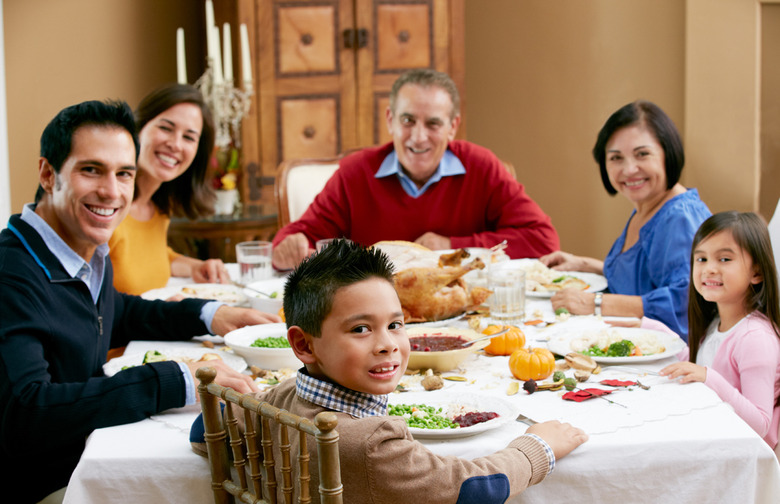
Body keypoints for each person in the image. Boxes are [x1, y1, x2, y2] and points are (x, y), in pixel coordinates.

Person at [0, 99, 280, 503]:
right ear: (48, 174)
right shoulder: (13, 273)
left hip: (85, 453)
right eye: (91, 170)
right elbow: (25, 416)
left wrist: (210, 314)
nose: (111, 191)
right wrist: (174, 379)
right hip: (49, 484)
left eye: (124, 173)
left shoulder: (82, 250)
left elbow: (118, 312)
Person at [191, 239, 587, 502]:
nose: (387, 344)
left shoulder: (284, 395)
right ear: (303, 344)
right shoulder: (368, 443)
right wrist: (538, 447)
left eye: (395, 325)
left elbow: (203, 433)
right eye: (360, 329)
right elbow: (475, 489)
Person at [271, 68, 559, 270]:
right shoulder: (355, 173)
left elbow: (543, 239)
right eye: (408, 120)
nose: (418, 136)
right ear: (390, 121)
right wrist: (289, 247)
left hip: (464, 311)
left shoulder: (482, 167)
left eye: (433, 123)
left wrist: (452, 247)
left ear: (452, 127)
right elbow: (292, 239)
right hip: (375, 318)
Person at [540, 100, 711, 340]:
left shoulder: (679, 217)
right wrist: (587, 265)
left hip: (670, 361)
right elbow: (647, 280)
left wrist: (595, 303)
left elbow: (686, 304)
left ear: (667, 153)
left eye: (642, 154)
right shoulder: (648, 207)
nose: (629, 169)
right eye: (616, 158)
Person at [658, 212, 780, 448]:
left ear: (757, 273)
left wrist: (708, 378)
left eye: (724, 259)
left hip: (748, 459)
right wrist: (647, 326)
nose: (709, 269)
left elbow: (761, 425)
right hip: (718, 438)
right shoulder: (717, 321)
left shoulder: (755, 337)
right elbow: (700, 362)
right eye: (701, 259)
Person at [108, 83, 231, 295]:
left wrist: (195, 266)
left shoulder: (159, 206)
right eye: (165, 128)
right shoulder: (107, 205)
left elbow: (149, 254)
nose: (175, 144)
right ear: (139, 127)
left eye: (189, 137)